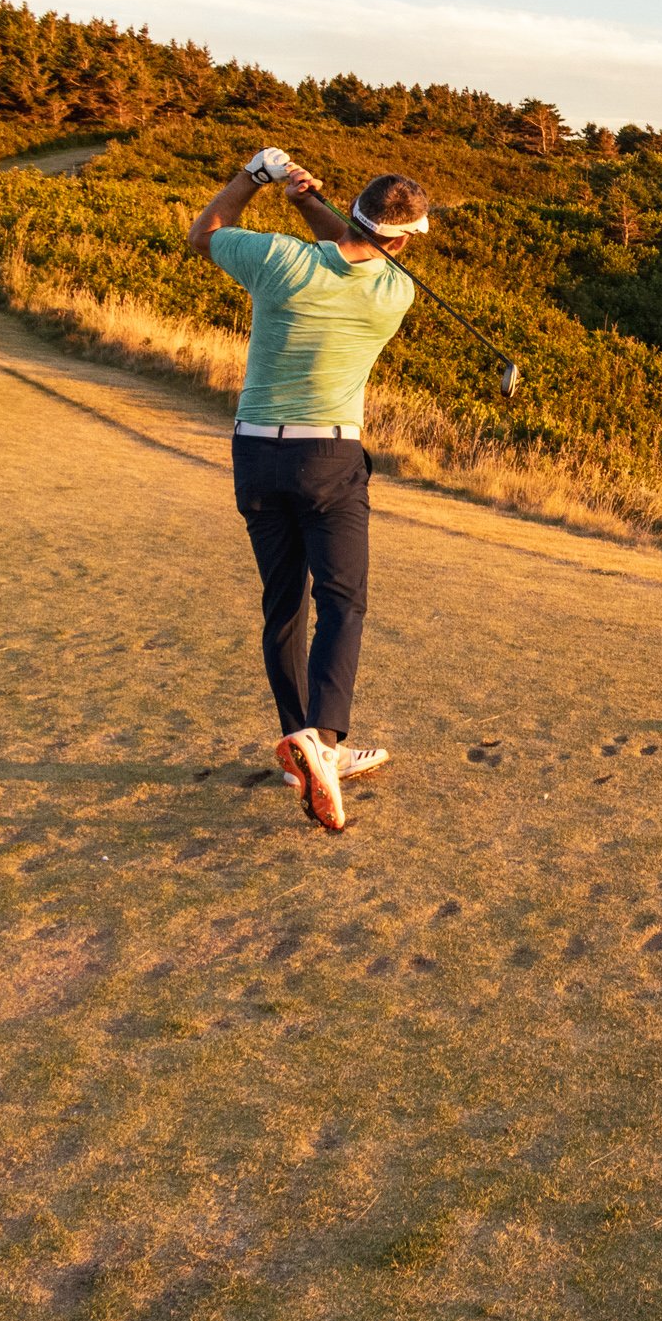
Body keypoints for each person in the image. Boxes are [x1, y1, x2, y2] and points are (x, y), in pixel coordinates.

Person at [186, 148, 430, 831]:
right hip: (330, 454)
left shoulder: (277, 260)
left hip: (256, 453)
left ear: (351, 209)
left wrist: (254, 179)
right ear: (404, 238)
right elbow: (359, 251)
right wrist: (306, 202)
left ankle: (303, 748)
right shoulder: (395, 291)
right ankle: (323, 741)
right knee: (343, 603)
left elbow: (202, 233)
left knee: (283, 605)